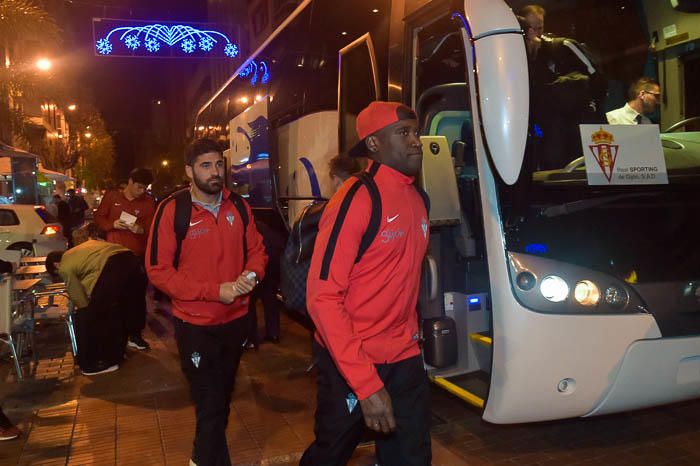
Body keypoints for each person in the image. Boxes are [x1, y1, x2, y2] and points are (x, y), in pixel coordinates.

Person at [300, 101, 431, 466]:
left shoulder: (418, 199)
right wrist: (367, 385)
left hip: (404, 356)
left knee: (412, 457)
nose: (416, 141)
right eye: (403, 133)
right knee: (331, 453)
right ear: (374, 144)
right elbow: (322, 297)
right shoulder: (356, 198)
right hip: (351, 358)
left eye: (415, 131)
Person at [146, 138, 267, 466]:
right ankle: (205, 460)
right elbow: (158, 271)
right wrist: (216, 291)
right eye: (205, 165)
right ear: (189, 171)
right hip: (195, 326)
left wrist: (252, 276)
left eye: (218, 164)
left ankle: (206, 458)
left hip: (236, 321)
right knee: (210, 402)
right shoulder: (173, 210)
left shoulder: (238, 206)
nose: (215, 172)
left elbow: (257, 250)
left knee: (222, 397)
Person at [46, 223, 145, 376]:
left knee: (92, 315)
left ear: (55, 265)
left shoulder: (65, 264)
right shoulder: (85, 253)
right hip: (133, 261)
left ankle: (93, 364)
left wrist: (85, 309)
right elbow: (96, 278)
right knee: (121, 310)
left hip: (115, 265)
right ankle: (119, 352)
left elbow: (78, 296)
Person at [520, 4, 606, 169]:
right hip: (550, 136)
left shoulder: (562, 46)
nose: (535, 34)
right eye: (530, 29)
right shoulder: (523, 62)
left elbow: (599, 79)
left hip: (580, 128)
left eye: (539, 28)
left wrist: (594, 114)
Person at [94, 167, 156, 350]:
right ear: (129, 182)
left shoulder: (148, 202)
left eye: (144, 188)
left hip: (136, 256)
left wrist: (141, 230)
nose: (141, 191)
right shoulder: (112, 197)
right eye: (138, 187)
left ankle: (135, 334)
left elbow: (151, 229)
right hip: (113, 255)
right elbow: (99, 217)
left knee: (136, 297)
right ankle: (117, 335)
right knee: (115, 296)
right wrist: (111, 224)